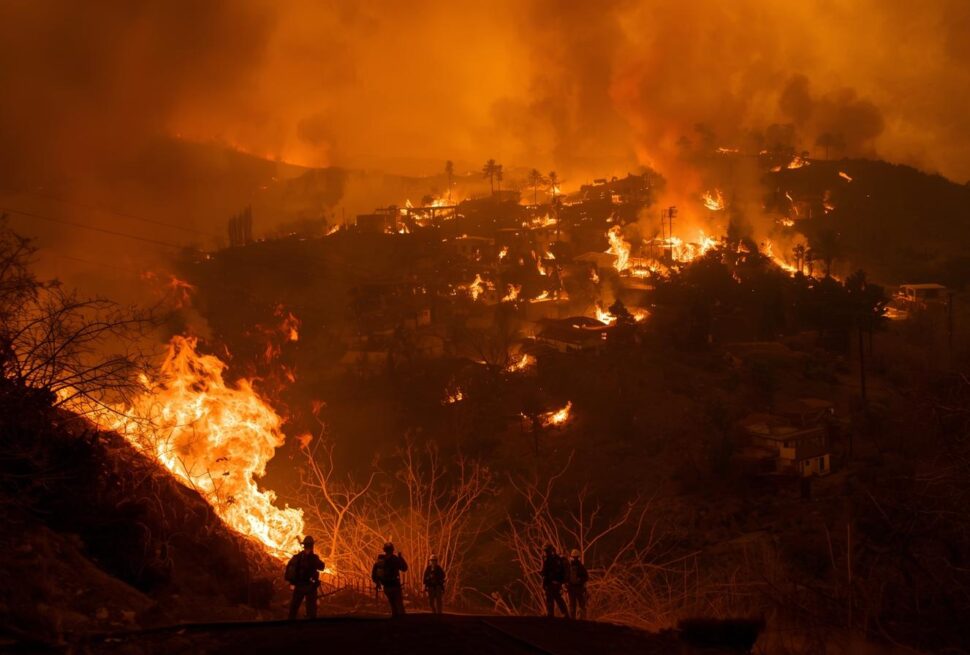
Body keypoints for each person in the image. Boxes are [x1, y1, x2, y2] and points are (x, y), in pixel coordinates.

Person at [286, 536, 325, 619]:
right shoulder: (314, 558)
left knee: (294, 608)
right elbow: (322, 567)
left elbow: (290, 570)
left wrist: (293, 583)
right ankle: (310, 627)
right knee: (311, 610)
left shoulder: (297, 557)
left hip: (299, 586)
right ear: (312, 546)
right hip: (310, 587)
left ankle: (289, 625)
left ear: (304, 545)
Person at [372, 542, 409, 617]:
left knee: (393, 605)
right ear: (392, 550)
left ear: (384, 550)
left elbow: (374, 574)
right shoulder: (395, 559)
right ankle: (402, 623)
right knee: (399, 605)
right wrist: (400, 558)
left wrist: (378, 583)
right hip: (395, 585)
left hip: (386, 587)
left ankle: (394, 620)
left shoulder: (381, 560)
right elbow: (404, 568)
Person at [540, 543, 568, 618]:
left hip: (550, 583)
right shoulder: (558, 559)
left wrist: (544, 583)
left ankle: (550, 615)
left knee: (550, 599)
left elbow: (545, 572)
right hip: (557, 583)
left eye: (545, 551)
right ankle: (565, 614)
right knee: (558, 598)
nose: (545, 552)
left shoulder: (549, 559)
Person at [565, 549, 589, 619]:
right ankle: (582, 619)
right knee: (581, 605)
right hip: (578, 589)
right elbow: (586, 577)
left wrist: (566, 584)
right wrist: (580, 581)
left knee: (572, 605)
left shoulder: (569, 566)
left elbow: (566, 577)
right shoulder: (581, 567)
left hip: (572, 589)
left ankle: (573, 620)